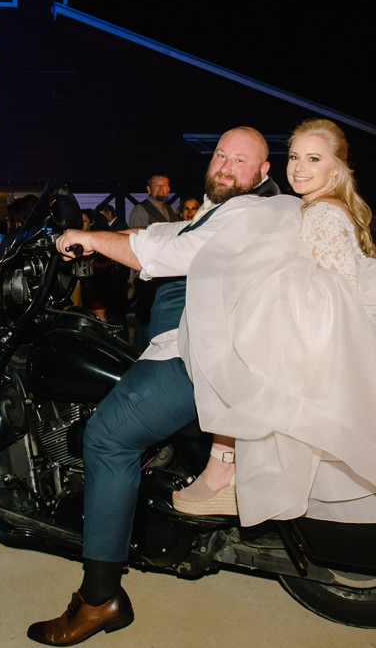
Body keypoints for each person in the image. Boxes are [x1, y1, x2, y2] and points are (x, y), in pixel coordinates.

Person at [29, 127, 277, 645]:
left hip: (198, 358)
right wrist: (100, 242)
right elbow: (168, 238)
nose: (227, 165)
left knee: (107, 437)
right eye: (221, 154)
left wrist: (90, 238)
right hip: (194, 345)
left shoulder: (250, 213)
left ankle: (100, 599)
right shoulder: (223, 208)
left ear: (263, 173)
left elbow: (167, 256)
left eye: (242, 159)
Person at [174, 119, 376, 520]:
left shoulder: (322, 215)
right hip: (328, 326)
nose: (299, 167)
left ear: (336, 169)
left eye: (313, 158)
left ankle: (223, 470)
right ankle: (225, 468)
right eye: (293, 157)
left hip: (328, 334)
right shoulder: (316, 206)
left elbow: (334, 295)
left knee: (237, 359)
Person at [127, 174, 180, 349]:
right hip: (148, 276)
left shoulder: (170, 210)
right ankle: (140, 355)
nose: (161, 189)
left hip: (165, 274)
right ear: (149, 189)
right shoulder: (141, 209)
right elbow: (138, 242)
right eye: (157, 186)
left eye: (165, 186)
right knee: (145, 319)